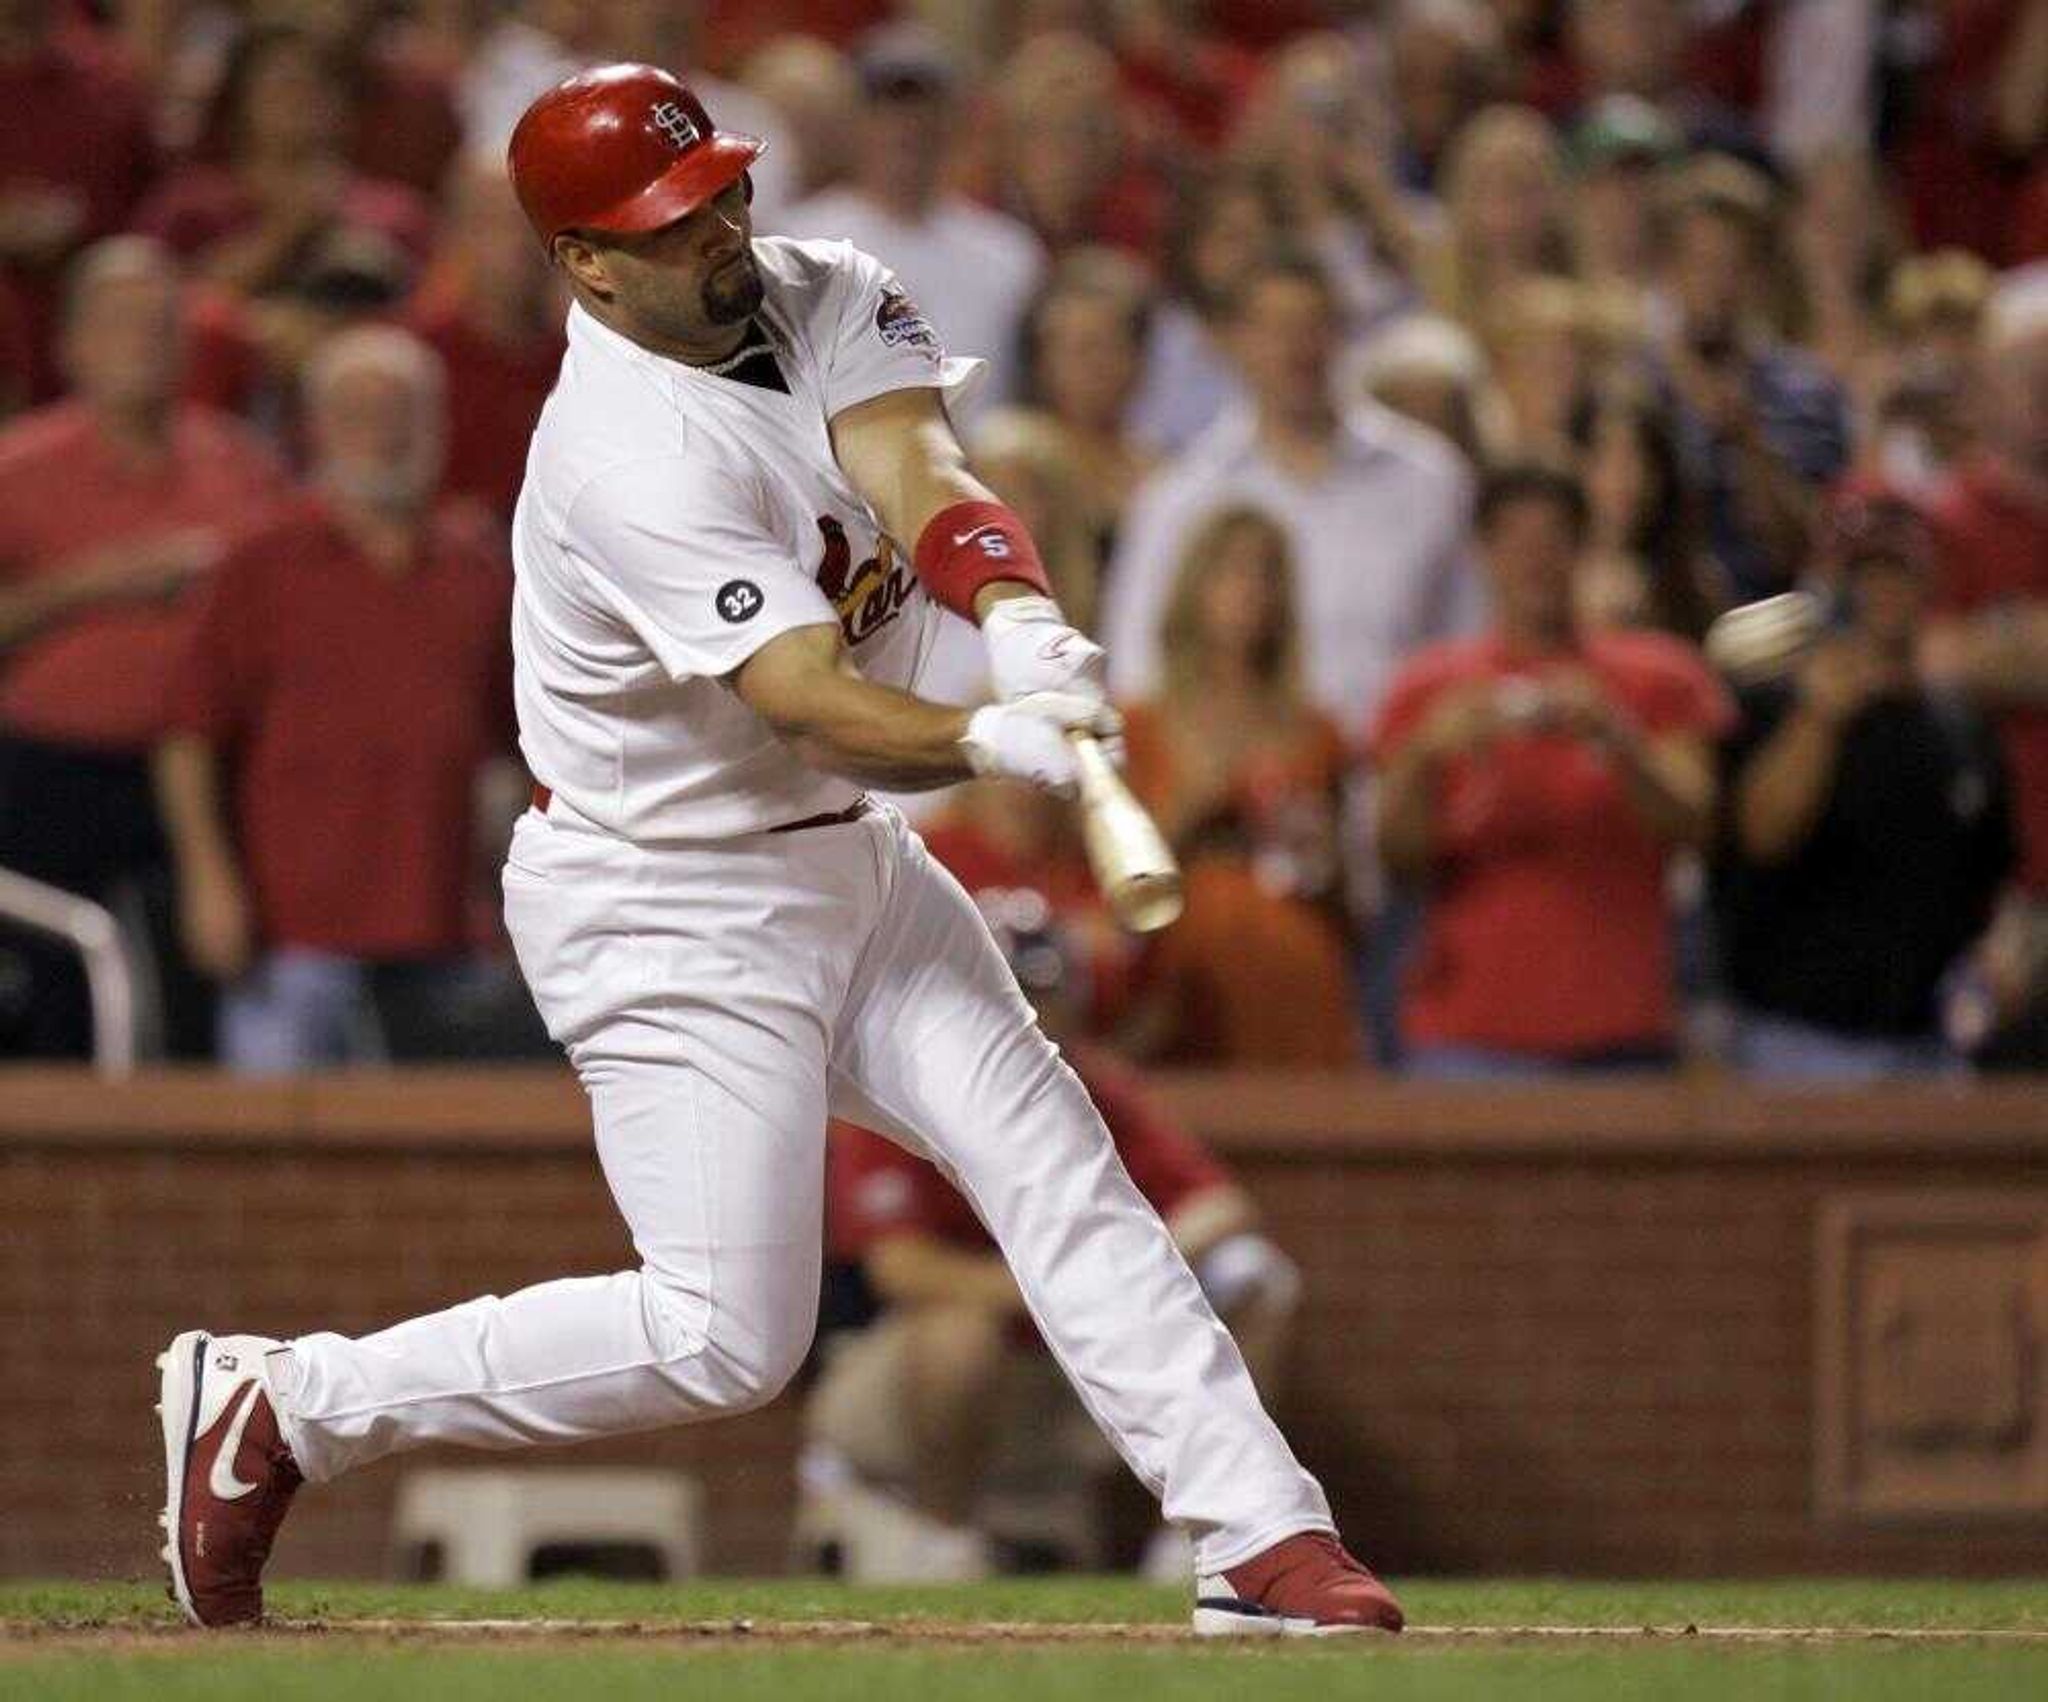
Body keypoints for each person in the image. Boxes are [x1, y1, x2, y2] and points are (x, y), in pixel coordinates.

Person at [155, 65, 1401, 1640]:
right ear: (586, 262)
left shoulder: (822, 285)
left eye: (723, 189)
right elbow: (808, 697)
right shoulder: (622, 456)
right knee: (726, 1335)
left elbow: (917, 470)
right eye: (672, 223)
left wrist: (1010, 612)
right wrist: (983, 738)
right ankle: (286, 1403)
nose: (721, 228)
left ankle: (1263, 1538)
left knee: (1054, 1157)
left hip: (840, 856)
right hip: (663, 894)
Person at [800, 892, 1302, 1580]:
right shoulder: (891, 1086)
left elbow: (1221, 1208)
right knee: (960, 1333)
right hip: (905, 1383)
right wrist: (1066, 1283)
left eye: (1039, 995)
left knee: (1253, 1277)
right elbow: (902, 1270)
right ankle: (944, 1540)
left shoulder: (1088, 1084)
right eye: (998, 990)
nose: (1024, 1015)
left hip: (1063, 1369)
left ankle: (1208, 1530)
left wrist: (1122, 1275)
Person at [154, 326, 527, 1072]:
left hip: (449, 927)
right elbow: (189, 735)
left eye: (403, 411)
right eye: (357, 412)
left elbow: (516, 750)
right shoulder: (259, 564)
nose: (382, 433)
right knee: (269, 1166)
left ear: (439, 425)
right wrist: (208, 881)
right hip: (292, 936)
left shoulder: (482, 569)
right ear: (314, 427)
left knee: (446, 1168)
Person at [0, 238, 287, 1058]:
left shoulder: (242, 465)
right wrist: (92, 583)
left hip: (209, 772)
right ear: (71, 345)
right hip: (50, 771)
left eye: (160, 325)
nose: (142, 342)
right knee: (52, 996)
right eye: (119, 323)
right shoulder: (19, 467)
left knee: (200, 991)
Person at [1372, 462, 1729, 1076]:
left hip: (1623, 1027)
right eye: (1513, 540)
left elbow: (1696, 823)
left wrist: (1619, 738)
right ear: (1482, 552)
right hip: (1468, 1032)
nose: (1533, 559)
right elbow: (1398, 859)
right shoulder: (1428, 686)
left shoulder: (1658, 675)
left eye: (1553, 539)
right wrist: (1426, 754)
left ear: (1582, 549)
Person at [1106, 253, 1480, 733]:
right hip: (1241, 788)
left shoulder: (1430, 478)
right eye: (1272, 328)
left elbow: (1465, 645)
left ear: (1343, 334)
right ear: (1234, 341)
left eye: (1312, 325)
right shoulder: (1181, 496)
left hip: (1395, 778)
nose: (1294, 349)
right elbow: (1139, 665)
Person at [1713, 495, 2013, 1080]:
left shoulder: (1958, 728)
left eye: (1899, 575)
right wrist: (1820, 717)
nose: (1885, 593)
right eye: (1869, 576)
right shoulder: (1778, 705)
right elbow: (1761, 835)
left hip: (1924, 1038)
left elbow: (1987, 873)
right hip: (1799, 1038)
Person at [1120, 505, 1361, 1066]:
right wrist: (1197, 806)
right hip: (1184, 974)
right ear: (1194, 586)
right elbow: (1110, 885)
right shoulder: (1138, 725)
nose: (1251, 589)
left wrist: (1320, 856)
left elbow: (1350, 900)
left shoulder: (1320, 732)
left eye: (1267, 573)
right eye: (1232, 570)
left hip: (1298, 971)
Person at [781, 24, 1043, 407]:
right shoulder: (799, 242)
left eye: (923, 108)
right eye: (887, 107)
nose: (906, 126)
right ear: (855, 119)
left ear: (952, 121)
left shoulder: (1009, 254)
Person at [1923, 281, 2048, 1065]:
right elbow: (1930, 664)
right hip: (1999, 901)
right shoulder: (1942, 521)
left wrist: (2004, 649)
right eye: (2026, 372)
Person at [1658, 155, 1850, 603]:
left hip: (1767, 615)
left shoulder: (1806, 390)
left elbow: (1805, 547)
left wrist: (1745, 438)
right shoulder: (1631, 385)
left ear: (1759, 277)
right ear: (1669, 270)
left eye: (1732, 265)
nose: (1715, 284)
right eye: (1700, 263)